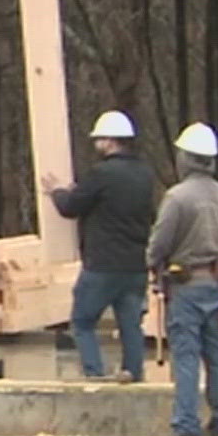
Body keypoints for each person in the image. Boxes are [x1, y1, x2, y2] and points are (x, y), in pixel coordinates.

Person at [146, 123, 218, 436]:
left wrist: (153, 264)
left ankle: (187, 426)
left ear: (186, 158)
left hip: (186, 285)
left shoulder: (177, 198)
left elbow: (159, 244)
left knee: (186, 356)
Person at [50, 110, 156, 382]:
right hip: (135, 265)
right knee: (130, 325)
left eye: (98, 139)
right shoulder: (144, 174)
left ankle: (95, 374)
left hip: (103, 265)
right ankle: (133, 372)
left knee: (82, 322)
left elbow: (70, 208)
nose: (96, 144)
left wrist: (56, 191)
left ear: (109, 142)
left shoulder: (101, 174)